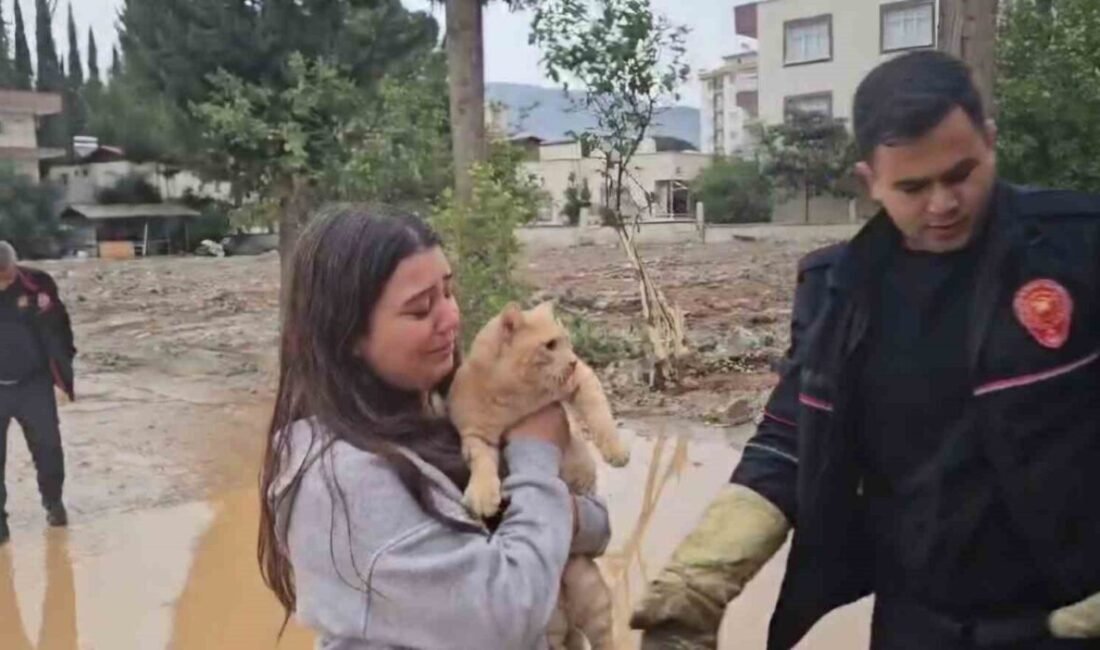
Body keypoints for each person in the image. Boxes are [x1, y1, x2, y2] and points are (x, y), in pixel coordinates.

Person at [631, 50, 1100, 650]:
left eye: (961, 174)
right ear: (869, 180)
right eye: (912, 186)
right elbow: (788, 439)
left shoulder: (1077, 248)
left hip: (1067, 620)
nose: (942, 204)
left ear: (989, 140)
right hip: (915, 624)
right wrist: (702, 576)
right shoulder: (836, 292)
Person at [257, 206, 611, 649]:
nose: (451, 318)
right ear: (347, 336)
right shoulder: (341, 481)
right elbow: (504, 618)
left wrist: (562, 509)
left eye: (448, 291)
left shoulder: (440, 411)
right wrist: (535, 454)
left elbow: (596, 525)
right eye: (421, 308)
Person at [0, 241, 73, 546]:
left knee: (48, 449)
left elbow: (60, 330)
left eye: (5, 276)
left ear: (14, 267)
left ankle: (53, 503)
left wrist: (64, 379)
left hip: (34, 384)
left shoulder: (38, 284)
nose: (3, 283)